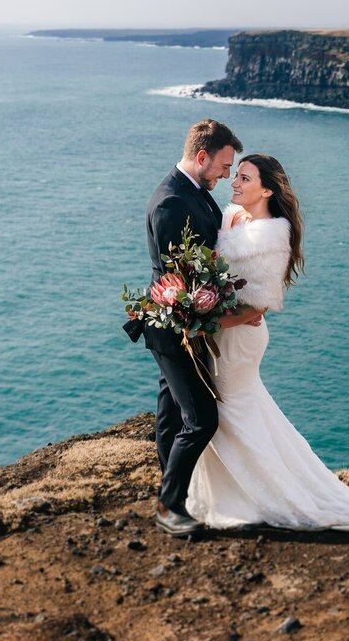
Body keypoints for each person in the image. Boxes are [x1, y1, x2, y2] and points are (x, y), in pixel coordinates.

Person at [185, 153, 349, 531]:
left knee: (231, 412)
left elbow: (258, 307)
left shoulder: (273, 236)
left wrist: (205, 324)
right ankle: (235, 494)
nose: (235, 182)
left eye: (245, 179)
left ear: (266, 190)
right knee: (240, 412)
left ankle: (271, 495)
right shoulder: (231, 216)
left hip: (240, 337)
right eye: (238, 176)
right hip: (220, 332)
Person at [126, 118, 252, 537]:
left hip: (183, 326)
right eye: (223, 166)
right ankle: (169, 507)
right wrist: (219, 314)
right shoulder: (170, 202)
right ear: (201, 157)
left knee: (170, 417)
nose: (227, 175)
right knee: (201, 418)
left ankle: (173, 492)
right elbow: (176, 279)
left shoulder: (193, 192)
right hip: (173, 326)